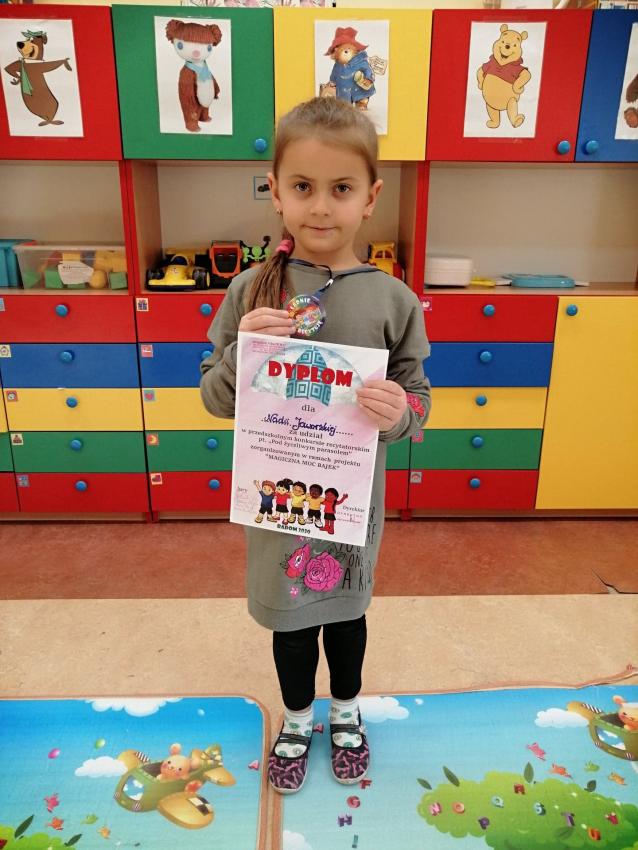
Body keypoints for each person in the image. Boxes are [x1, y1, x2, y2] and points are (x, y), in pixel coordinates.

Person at [200, 97, 431, 794]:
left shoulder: (393, 299)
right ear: (275, 190)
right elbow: (213, 396)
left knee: (347, 617)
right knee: (292, 623)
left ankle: (347, 711)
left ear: (371, 197)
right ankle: (298, 718)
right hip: (280, 508)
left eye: (342, 188)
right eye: (302, 186)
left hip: (351, 507)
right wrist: (243, 355)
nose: (321, 206)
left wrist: (399, 414)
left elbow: (418, 397)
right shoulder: (250, 290)